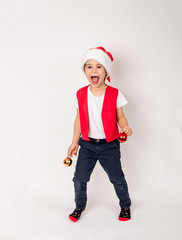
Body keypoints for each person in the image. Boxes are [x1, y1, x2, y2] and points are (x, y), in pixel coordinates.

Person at [67, 46, 133, 222]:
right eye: (89, 66)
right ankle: (79, 206)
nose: (93, 70)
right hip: (87, 145)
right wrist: (74, 142)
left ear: (105, 71)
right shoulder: (80, 94)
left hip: (109, 145)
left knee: (117, 179)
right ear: (84, 71)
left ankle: (125, 205)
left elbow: (121, 117)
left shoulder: (115, 93)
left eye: (99, 66)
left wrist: (125, 127)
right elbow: (79, 120)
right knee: (79, 179)